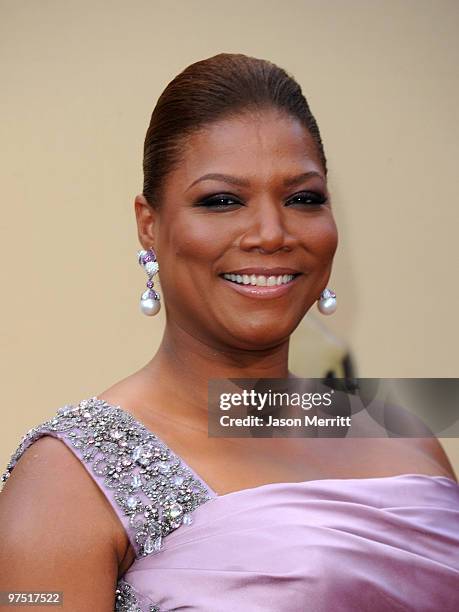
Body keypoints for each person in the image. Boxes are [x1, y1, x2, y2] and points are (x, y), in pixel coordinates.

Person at [0, 53, 458, 612]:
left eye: (303, 198)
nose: (272, 233)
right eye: (222, 201)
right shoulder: (67, 479)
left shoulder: (402, 431)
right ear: (150, 224)